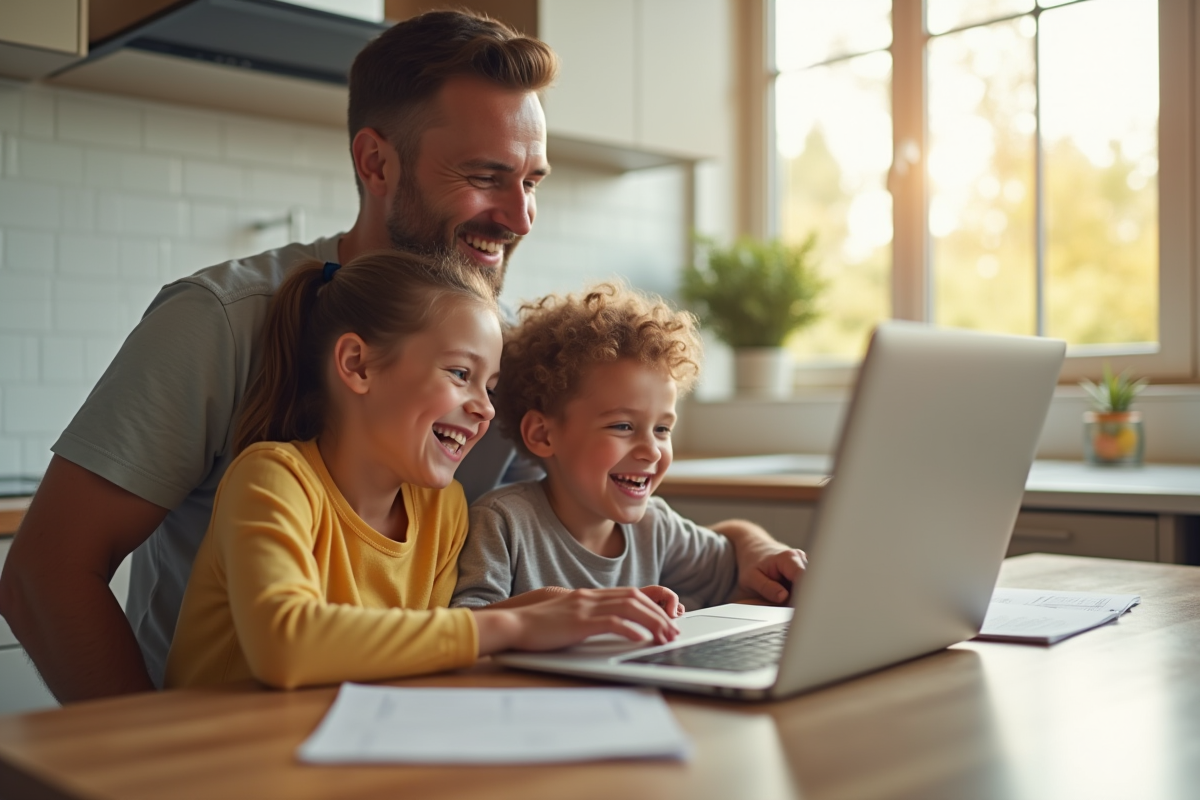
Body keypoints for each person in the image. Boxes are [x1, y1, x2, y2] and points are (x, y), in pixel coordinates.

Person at [0, 9, 793, 703]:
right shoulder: (223, 321)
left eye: (533, 181)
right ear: (376, 163)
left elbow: (583, 519)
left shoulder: (499, 358)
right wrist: (146, 765)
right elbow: (44, 577)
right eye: (486, 177)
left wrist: (748, 552)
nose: (519, 215)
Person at [165, 253, 679, 690]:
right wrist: (509, 624)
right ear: (358, 365)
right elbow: (286, 647)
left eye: (490, 386)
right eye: (461, 374)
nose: (485, 408)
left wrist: (542, 612)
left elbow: (422, 656)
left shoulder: (443, 509)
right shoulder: (273, 480)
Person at [452, 283, 807, 613]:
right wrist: (577, 610)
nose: (651, 451)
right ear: (543, 435)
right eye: (623, 426)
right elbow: (468, 624)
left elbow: (735, 556)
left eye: (663, 428)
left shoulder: (657, 528)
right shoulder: (502, 523)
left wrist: (764, 550)